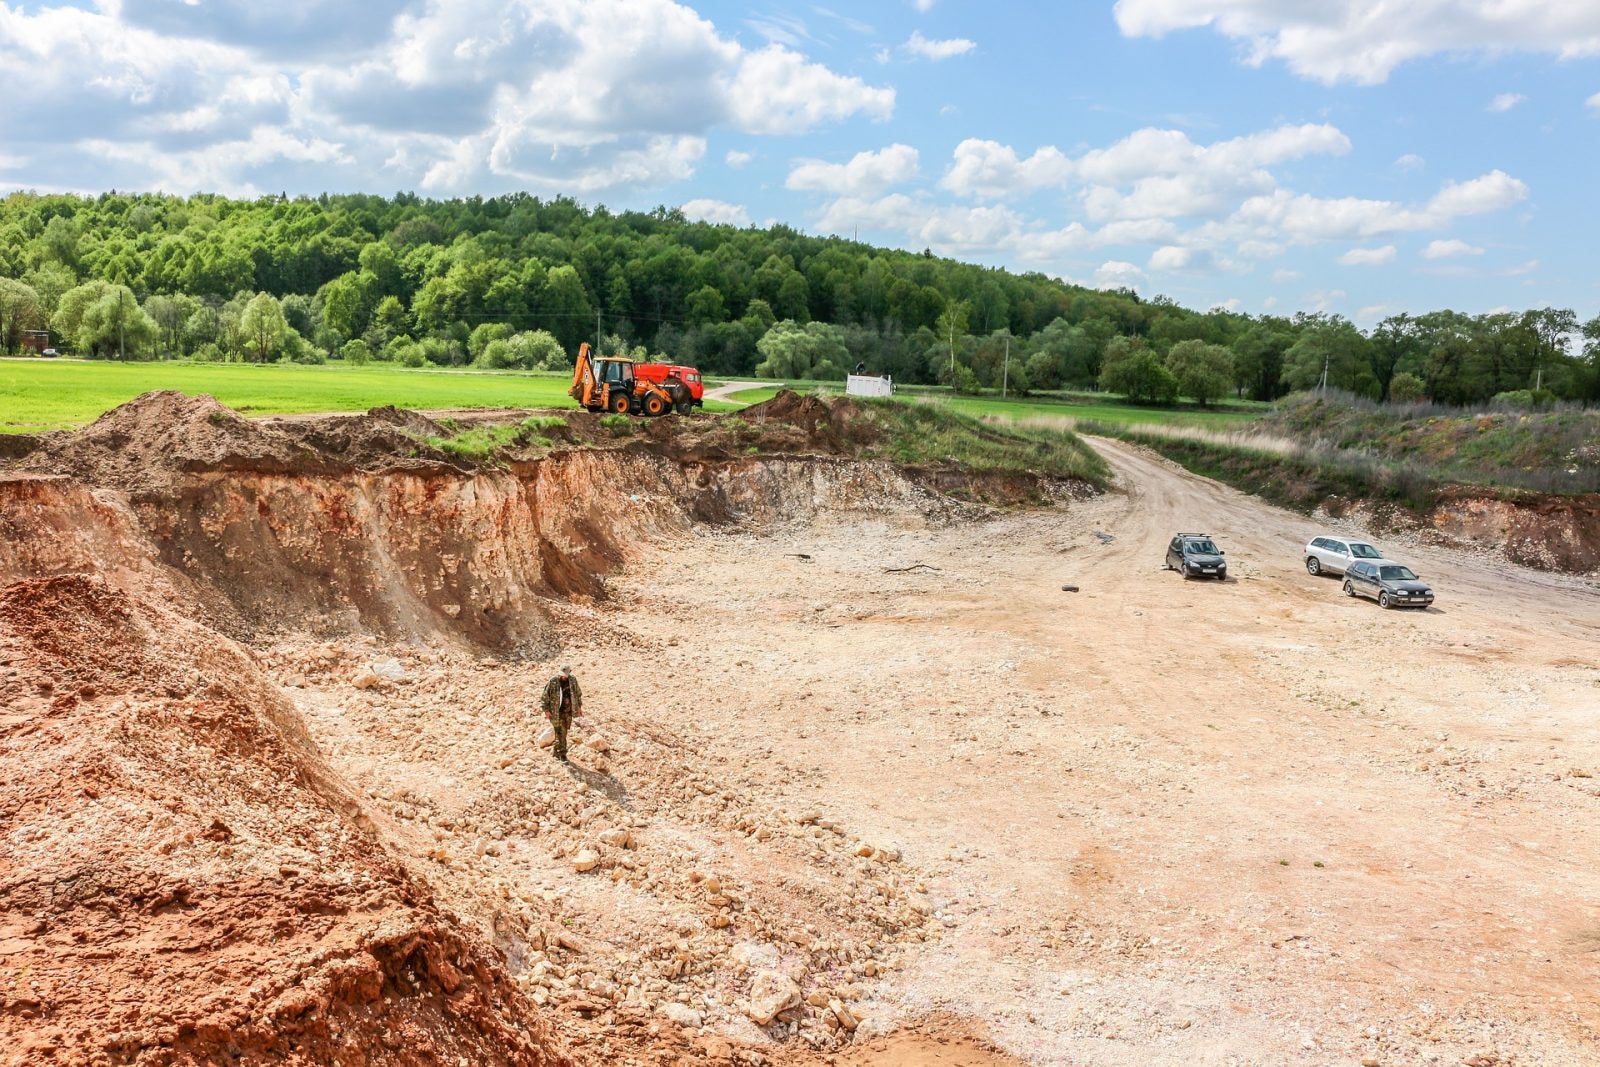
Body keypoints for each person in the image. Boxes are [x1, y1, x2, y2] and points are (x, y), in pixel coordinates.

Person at [540, 665, 583, 762]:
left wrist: (579, 707)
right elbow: (545, 696)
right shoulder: (553, 681)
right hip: (556, 712)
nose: (564, 677)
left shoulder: (572, 680)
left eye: (566, 675)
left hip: (568, 712)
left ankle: (556, 749)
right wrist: (546, 710)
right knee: (560, 731)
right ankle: (562, 754)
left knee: (563, 732)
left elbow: (578, 694)